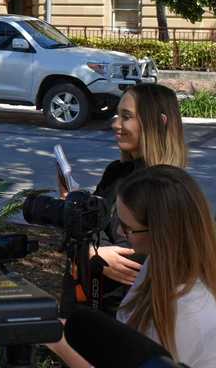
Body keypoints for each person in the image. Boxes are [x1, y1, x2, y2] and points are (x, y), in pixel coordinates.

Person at [47, 166, 216, 368]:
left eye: (128, 228)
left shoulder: (188, 312)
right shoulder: (157, 263)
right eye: (119, 221)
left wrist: (55, 337)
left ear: (161, 233)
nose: (119, 230)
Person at [63, 83, 188, 316]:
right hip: (85, 303)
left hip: (124, 315)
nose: (116, 124)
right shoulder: (116, 172)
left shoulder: (166, 188)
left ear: (159, 123)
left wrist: (91, 251)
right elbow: (92, 228)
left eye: (127, 117)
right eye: (117, 115)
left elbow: (132, 260)